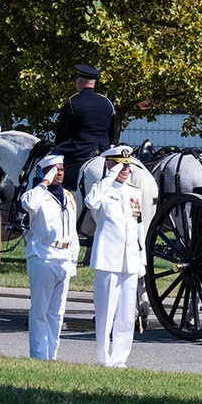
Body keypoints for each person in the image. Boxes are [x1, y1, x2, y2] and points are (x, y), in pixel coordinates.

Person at [85, 145, 144, 368]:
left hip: (129, 259)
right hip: (108, 259)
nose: (125, 169)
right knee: (106, 312)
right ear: (109, 164)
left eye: (127, 165)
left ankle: (120, 358)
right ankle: (104, 357)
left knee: (126, 314)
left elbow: (140, 227)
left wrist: (142, 259)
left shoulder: (134, 191)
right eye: (120, 164)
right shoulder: (101, 190)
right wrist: (109, 176)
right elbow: (91, 203)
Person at [21, 153, 80, 360]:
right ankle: (38, 355)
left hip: (63, 257)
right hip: (43, 256)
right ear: (46, 171)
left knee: (57, 313)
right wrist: (44, 181)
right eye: (55, 169)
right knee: (40, 312)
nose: (60, 173)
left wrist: (73, 259)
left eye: (62, 169)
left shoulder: (69, 197)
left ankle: (51, 355)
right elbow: (28, 205)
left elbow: (73, 232)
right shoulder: (37, 194)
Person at [53, 64, 116, 190]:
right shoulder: (107, 102)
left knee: (43, 163)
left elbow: (62, 133)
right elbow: (112, 132)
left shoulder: (72, 102)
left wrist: (57, 147)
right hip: (104, 149)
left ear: (80, 81)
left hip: (80, 149)